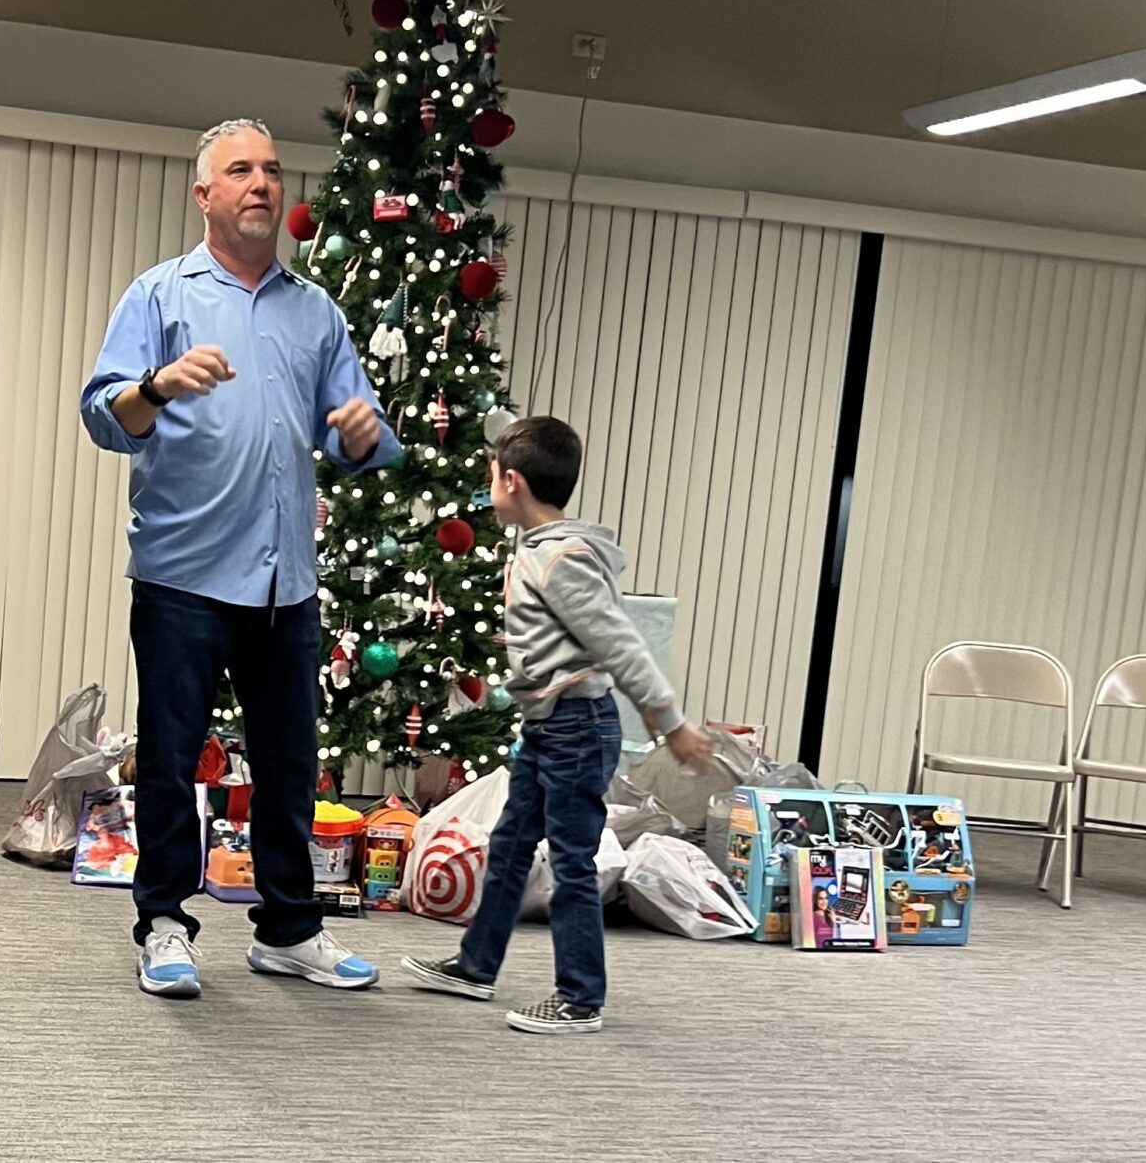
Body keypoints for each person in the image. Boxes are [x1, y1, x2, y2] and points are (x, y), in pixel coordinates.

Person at [80, 118, 401, 999]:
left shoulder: (316, 312)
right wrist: (158, 385)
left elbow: (360, 436)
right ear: (205, 195)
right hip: (183, 574)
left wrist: (368, 435)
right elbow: (106, 416)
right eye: (241, 171)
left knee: (291, 764)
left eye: (271, 169)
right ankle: (164, 924)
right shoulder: (158, 296)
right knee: (174, 758)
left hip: (283, 582)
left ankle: (290, 931)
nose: (262, 182)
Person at [402, 417, 712, 1034]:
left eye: (492, 476)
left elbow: (619, 643)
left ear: (512, 482)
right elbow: (563, 631)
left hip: (576, 727)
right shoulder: (539, 550)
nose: (488, 487)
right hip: (549, 727)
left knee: (572, 861)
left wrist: (669, 721)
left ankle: (580, 997)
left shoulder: (563, 558)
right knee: (512, 844)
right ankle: (476, 964)